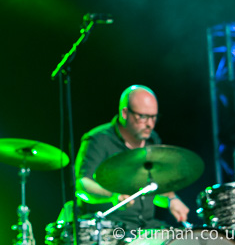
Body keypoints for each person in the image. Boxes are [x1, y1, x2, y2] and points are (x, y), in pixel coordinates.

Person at [74, 85, 190, 233]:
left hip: (147, 227)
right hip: (111, 229)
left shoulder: (152, 141)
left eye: (154, 117)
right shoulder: (98, 140)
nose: (149, 124)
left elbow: (156, 185)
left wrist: (172, 200)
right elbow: (82, 185)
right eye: (142, 117)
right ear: (125, 113)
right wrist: (112, 196)